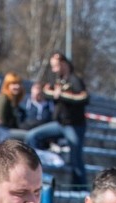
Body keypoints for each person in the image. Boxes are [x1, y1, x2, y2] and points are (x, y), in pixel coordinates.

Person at [25, 51, 88, 188]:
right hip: (59, 124)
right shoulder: (57, 81)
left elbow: (83, 98)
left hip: (74, 125)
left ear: (63, 64)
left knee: (76, 158)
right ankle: (33, 171)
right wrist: (56, 94)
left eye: (55, 66)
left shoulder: (75, 80)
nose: (53, 70)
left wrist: (61, 95)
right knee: (32, 136)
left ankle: (80, 188)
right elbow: (47, 93)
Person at [0, 72, 26, 140]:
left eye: (18, 84)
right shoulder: (4, 98)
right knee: (28, 136)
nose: (17, 86)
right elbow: (0, 119)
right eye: (13, 84)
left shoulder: (14, 101)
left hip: (8, 130)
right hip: (1, 131)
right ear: (7, 85)